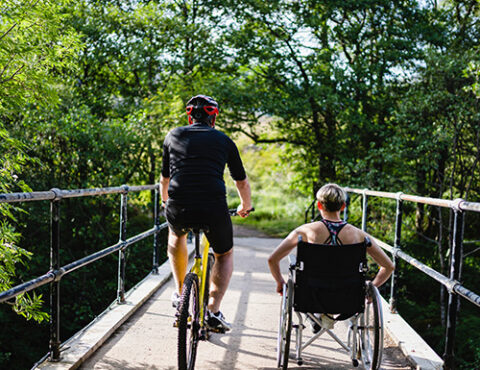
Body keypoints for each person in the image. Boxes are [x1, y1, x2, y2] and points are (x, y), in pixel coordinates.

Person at [160, 94, 252, 332]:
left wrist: (165, 203)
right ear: (213, 117)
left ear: (190, 116)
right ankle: (213, 310)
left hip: (179, 204)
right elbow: (241, 181)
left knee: (176, 235)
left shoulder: (173, 136)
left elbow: (165, 179)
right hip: (213, 206)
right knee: (224, 254)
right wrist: (245, 206)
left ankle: (181, 295)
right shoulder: (224, 140)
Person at [268, 183, 394, 330]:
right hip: (348, 299)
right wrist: (371, 288)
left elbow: (272, 259)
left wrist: (280, 282)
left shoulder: (305, 231)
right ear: (343, 206)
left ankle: (316, 317)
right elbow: (389, 266)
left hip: (310, 297)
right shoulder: (359, 235)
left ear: (319, 205)